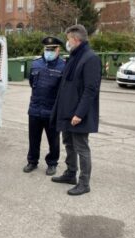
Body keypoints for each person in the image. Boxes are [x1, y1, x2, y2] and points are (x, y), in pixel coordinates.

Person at [50, 25, 101, 196]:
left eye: (69, 39)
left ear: (76, 39)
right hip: (66, 111)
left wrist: (79, 113)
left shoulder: (90, 58)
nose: (67, 42)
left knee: (81, 148)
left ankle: (84, 182)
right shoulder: (74, 57)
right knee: (69, 144)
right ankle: (70, 173)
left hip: (78, 114)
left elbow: (90, 90)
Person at [23, 36, 65, 176]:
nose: (49, 52)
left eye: (52, 49)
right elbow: (31, 82)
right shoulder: (36, 64)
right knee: (33, 138)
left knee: (53, 140)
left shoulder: (63, 66)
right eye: (47, 49)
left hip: (52, 110)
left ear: (58, 50)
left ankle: (52, 163)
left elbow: (63, 90)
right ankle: (32, 161)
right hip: (35, 108)